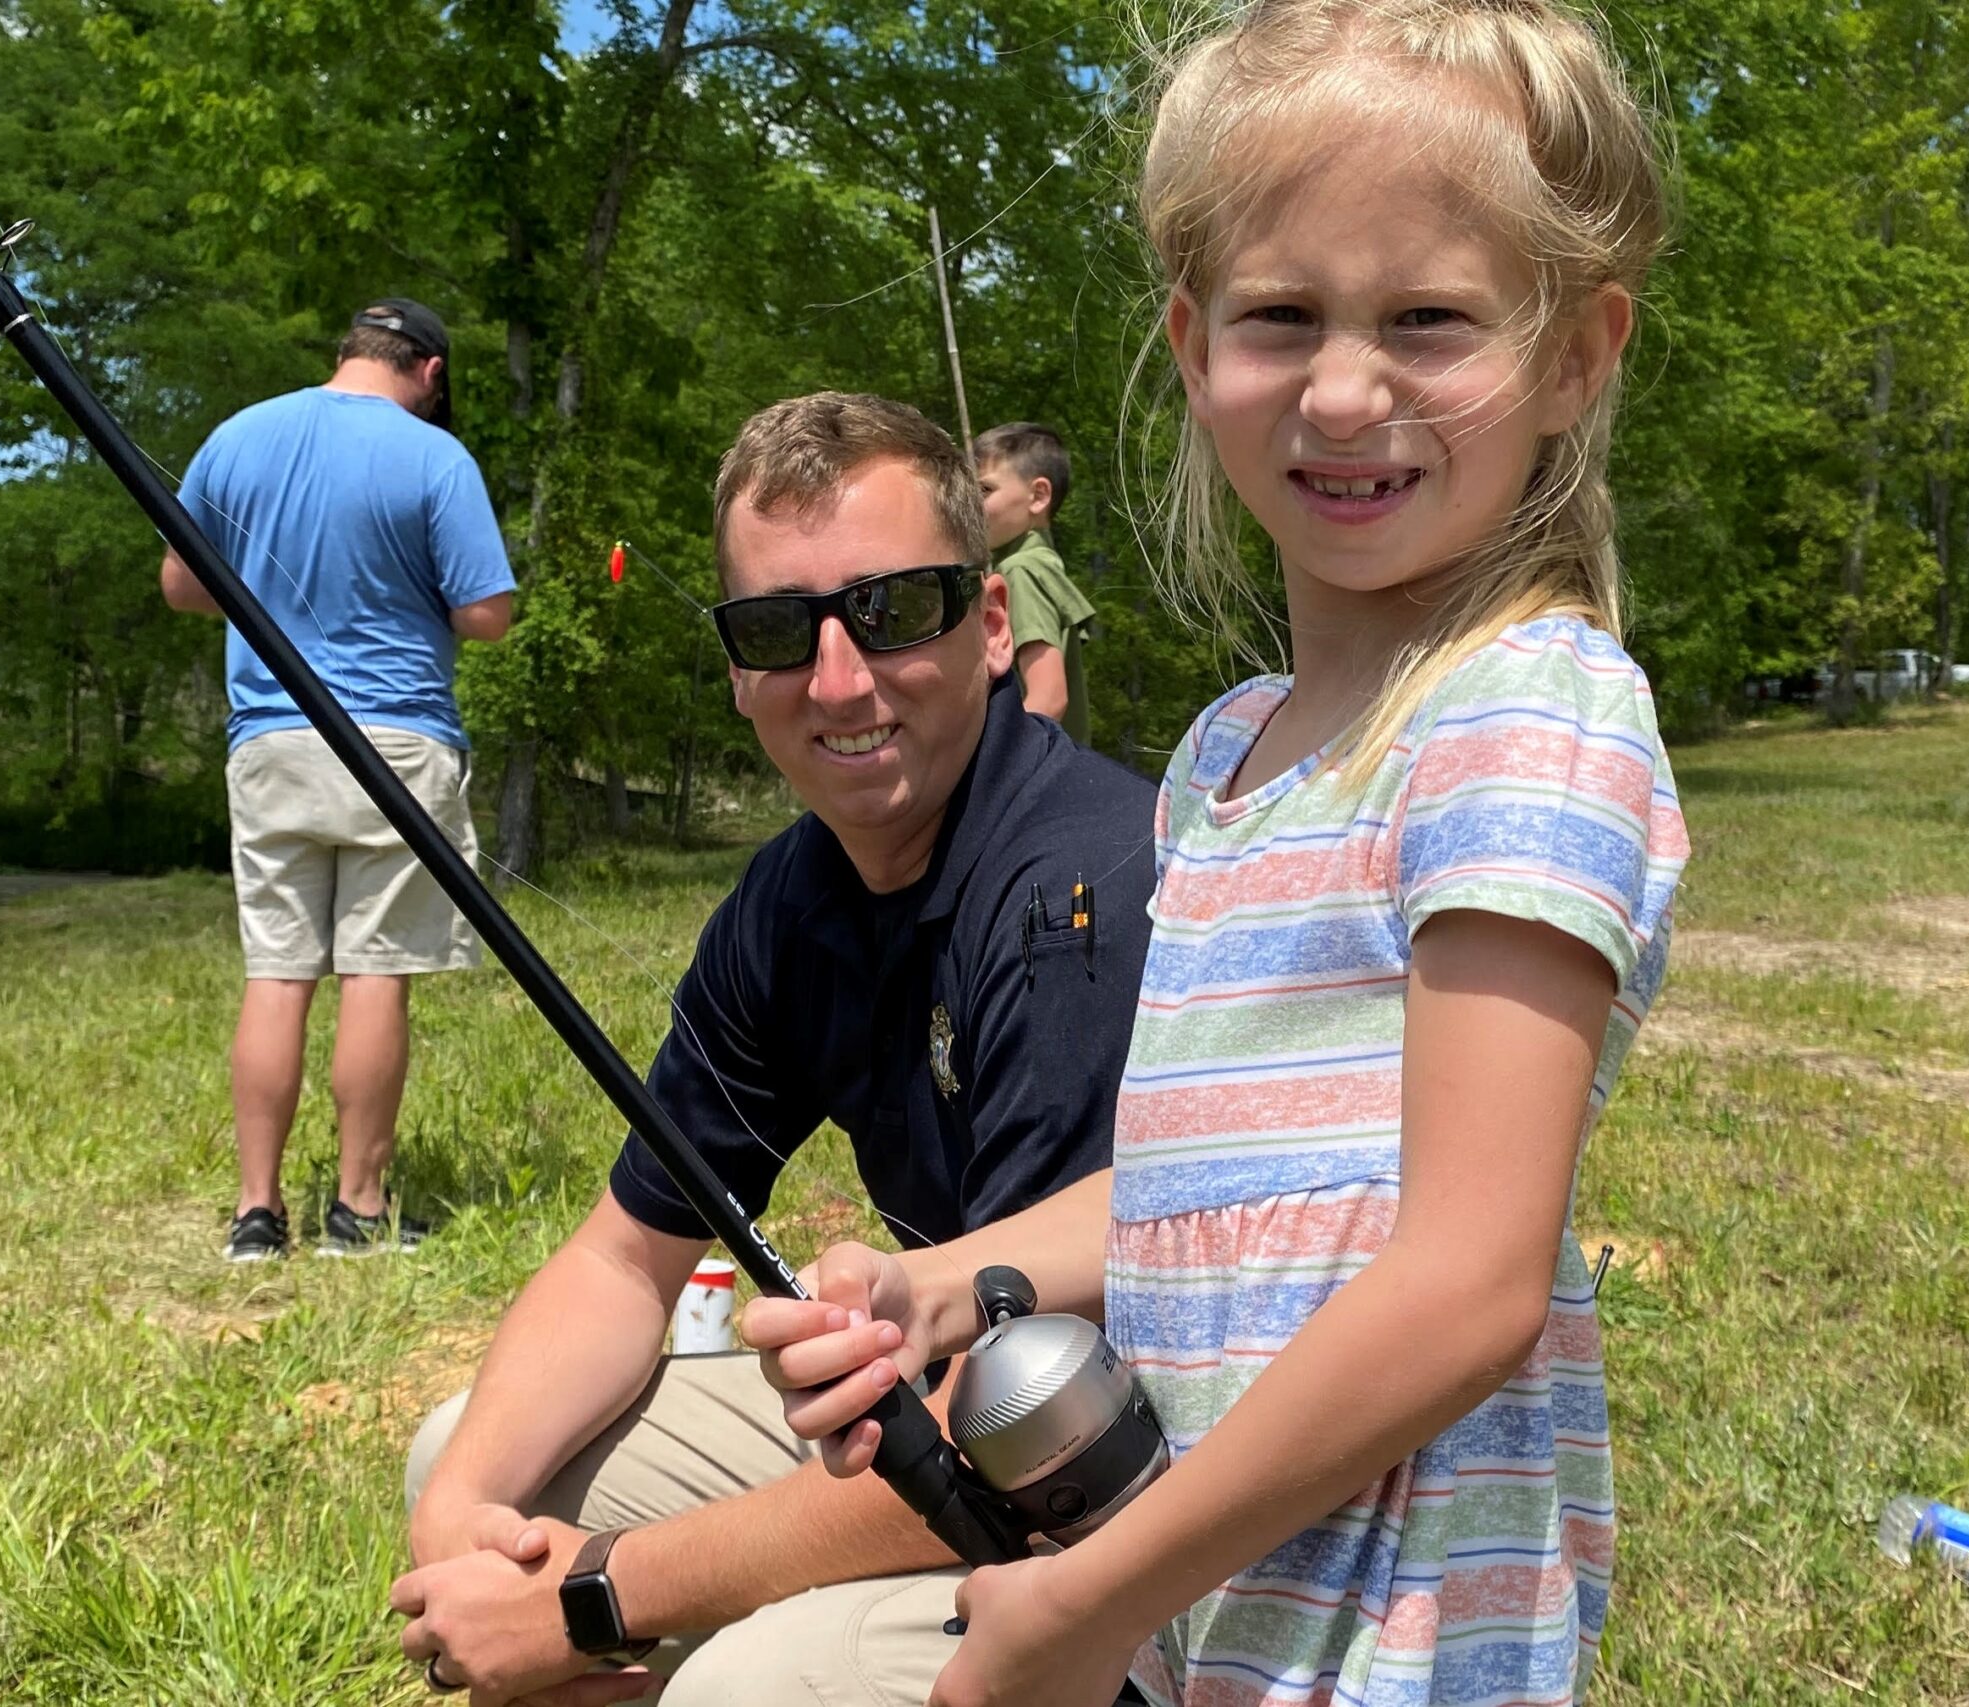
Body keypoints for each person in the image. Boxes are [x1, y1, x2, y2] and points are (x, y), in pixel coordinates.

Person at [745, 5, 1688, 1705]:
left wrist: (1094, 1593)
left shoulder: (1531, 715)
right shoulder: (1225, 753)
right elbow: (1220, 1163)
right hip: (1214, 1611)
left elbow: (1470, 1280)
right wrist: (947, 1276)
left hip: (1390, 1641)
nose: (1344, 387)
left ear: (1575, 352)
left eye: (1429, 319)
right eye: (1280, 317)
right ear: (1191, 343)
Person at [392, 393, 1157, 1705]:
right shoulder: (789, 904)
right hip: (957, 1434)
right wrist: (458, 1515)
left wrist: (596, 1598)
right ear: (738, 669)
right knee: (469, 1462)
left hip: (1133, 1499)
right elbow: (622, 1261)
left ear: (987, 626)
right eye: (777, 631)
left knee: (744, 1684)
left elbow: (1033, 1420)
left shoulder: (1080, 886)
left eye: (895, 610)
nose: (840, 679)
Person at [161, 296, 517, 1262]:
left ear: (348, 351)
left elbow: (182, 584)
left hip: (269, 740)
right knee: (375, 972)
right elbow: (487, 612)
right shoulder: (435, 456)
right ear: (430, 372)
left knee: (276, 971)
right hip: (398, 744)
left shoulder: (239, 436)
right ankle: (357, 1211)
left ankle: (255, 1214)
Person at [975, 422, 1096, 744]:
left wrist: (993, 766)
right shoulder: (1043, 564)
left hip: (1037, 779)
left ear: (1038, 496)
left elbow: (1049, 697)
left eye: (984, 490)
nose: (970, 505)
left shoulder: (1021, 569)